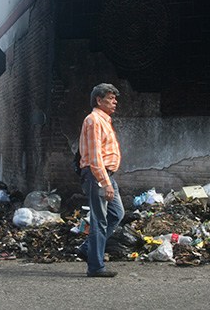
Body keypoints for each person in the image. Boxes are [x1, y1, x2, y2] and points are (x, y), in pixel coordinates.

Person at [77, 83, 124, 278]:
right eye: (110, 98)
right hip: (98, 175)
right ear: (99, 100)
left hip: (105, 175)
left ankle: (87, 249)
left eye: (115, 98)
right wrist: (105, 183)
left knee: (117, 214)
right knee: (99, 220)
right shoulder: (94, 120)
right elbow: (95, 156)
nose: (115, 102)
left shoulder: (105, 120)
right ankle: (95, 267)